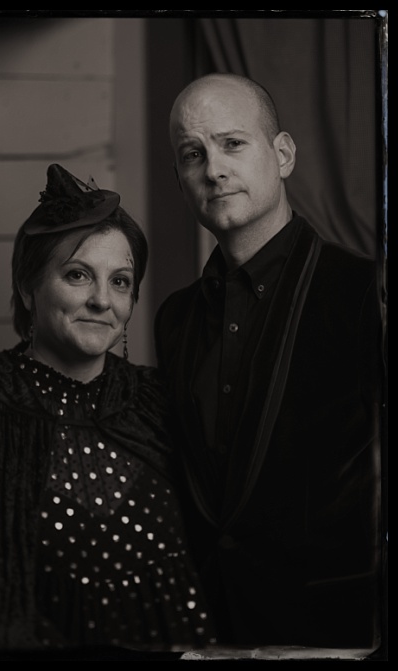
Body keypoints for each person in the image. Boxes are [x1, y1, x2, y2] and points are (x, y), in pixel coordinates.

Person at [0, 164, 216, 657]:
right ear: (27, 288)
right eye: (78, 275)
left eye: (121, 282)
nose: (103, 301)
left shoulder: (159, 399)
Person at [156, 72, 383, 649]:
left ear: (282, 155)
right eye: (192, 154)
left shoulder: (363, 291)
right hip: (208, 630)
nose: (213, 169)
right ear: (181, 180)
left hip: (337, 629)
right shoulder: (175, 318)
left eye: (233, 143)